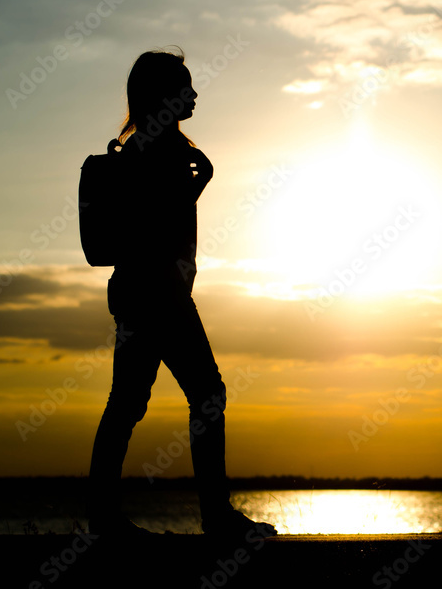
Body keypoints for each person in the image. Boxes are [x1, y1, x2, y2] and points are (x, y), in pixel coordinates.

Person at [87, 48, 277, 539]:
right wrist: (198, 184)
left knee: (128, 402)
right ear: (163, 95)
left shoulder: (149, 149)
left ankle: (106, 518)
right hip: (158, 294)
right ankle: (214, 518)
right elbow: (158, 226)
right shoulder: (160, 151)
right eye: (185, 86)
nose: (194, 94)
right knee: (205, 394)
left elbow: (150, 224)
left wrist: (196, 184)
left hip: (140, 290)